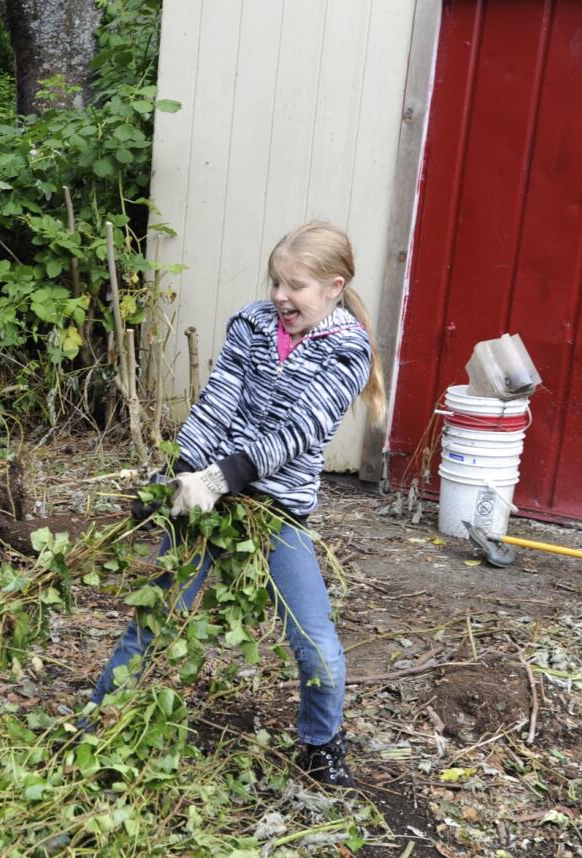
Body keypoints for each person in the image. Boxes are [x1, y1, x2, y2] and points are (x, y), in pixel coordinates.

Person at [88, 220, 387, 788]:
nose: (280, 295)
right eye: (276, 281)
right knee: (156, 617)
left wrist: (224, 478)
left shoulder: (348, 349)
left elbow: (296, 433)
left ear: (333, 286)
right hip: (208, 495)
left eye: (295, 285)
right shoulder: (252, 323)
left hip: (272, 512)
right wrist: (175, 479)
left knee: (314, 643)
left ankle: (321, 744)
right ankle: (96, 718)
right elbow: (215, 404)